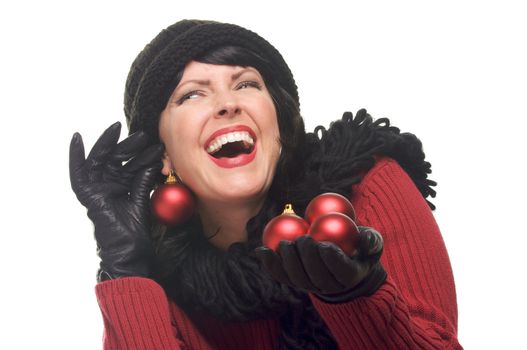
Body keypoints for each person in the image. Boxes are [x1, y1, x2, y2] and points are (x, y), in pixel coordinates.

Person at [69, 19, 462, 349]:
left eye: (246, 84)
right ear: (163, 154)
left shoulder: (362, 188)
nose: (227, 103)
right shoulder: (164, 269)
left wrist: (356, 296)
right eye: (191, 95)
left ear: (278, 122)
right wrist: (127, 270)